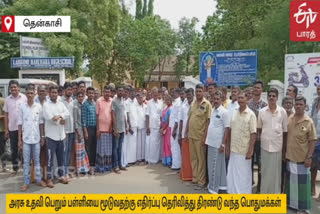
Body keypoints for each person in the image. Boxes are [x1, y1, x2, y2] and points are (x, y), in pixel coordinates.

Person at [286, 96, 316, 214]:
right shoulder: (290, 118)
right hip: (290, 158)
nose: (298, 106)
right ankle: (293, 205)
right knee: (292, 184)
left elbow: (313, 140)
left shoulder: (309, 121)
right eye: (296, 104)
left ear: (305, 106)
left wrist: (309, 157)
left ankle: (303, 208)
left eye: (300, 104)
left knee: (303, 185)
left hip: (303, 159)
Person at [258, 88, 288, 194]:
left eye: (273, 96)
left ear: (277, 98)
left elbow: (285, 132)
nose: (271, 97)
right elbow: (259, 129)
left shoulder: (282, 112)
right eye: (269, 96)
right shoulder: (262, 112)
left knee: (276, 175)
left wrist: (284, 151)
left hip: (277, 148)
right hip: (265, 147)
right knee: (265, 173)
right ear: (267, 97)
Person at [227, 91, 256, 194]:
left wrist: (250, 150)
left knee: (243, 175)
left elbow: (253, 134)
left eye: (242, 98)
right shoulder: (234, 112)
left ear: (247, 99)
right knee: (233, 174)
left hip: (244, 151)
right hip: (233, 149)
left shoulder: (251, 114)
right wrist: (227, 147)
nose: (240, 100)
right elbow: (230, 130)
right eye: (239, 98)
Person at [18, 86, 47, 191]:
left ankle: (39, 180)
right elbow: (20, 124)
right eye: (28, 93)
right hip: (26, 139)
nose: (30, 95)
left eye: (31, 93)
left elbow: (41, 123)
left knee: (37, 160)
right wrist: (19, 140)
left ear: (34, 94)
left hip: (36, 139)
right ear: (26, 95)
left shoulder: (38, 107)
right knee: (26, 162)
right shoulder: (22, 107)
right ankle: (26, 182)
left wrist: (43, 136)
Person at [43, 85, 70, 188]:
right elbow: (51, 119)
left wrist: (60, 116)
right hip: (51, 136)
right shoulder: (46, 105)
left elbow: (67, 113)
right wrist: (61, 118)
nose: (54, 94)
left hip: (61, 136)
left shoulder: (61, 104)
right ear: (49, 93)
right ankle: (49, 179)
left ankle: (61, 176)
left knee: (61, 158)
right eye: (52, 92)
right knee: (49, 159)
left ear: (58, 93)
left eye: (55, 92)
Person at [186, 83, 212, 190]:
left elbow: (208, 122)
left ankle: (201, 182)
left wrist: (205, 137)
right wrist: (186, 132)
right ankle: (195, 179)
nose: (198, 93)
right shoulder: (193, 103)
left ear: (203, 91)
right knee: (194, 159)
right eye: (196, 91)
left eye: (200, 91)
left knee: (201, 160)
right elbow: (190, 118)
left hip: (200, 136)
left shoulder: (207, 104)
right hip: (192, 135)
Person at [206, 91, 230, 194]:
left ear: (221, 100)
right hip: (210, 142)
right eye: (214, 99)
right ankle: (222, 186)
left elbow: (227, 129)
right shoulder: (212, 110)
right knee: (218, 166)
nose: (215, 101)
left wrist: (223, 144)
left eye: (217, 99)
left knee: (214, 166)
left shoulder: (224, 112)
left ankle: (213, 188)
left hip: (218, 144)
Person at [247, 80, 267, 192]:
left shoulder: (265, 105)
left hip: (260, 139)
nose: (256, 89)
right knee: (248, 163)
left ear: (262, 90)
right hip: (249, 140)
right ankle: (248, 184)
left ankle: (259, 187)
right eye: (254, 87)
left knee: (260, 164)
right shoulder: (248, 104)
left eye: (258, 88)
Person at [3, 80, 27, 174]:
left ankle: (25, 167)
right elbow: (6, 115)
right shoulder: (7, 99)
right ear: (10, 89)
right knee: (14, 149)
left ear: (19, 88)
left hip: (24, 128)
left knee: (25, 148)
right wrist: (6, 129)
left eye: (15, 87)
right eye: (12, 87)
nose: (13, 89)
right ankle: (15, 168)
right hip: (12, 128)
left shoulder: (24, 98)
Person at [95, 86, 113, 173]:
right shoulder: (99, 101)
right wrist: (98, 129)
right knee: (101, 149)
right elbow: (97, 116)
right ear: (103, 92)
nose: (107, 93)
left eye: (108, 92)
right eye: (106, 92)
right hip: (101, 130)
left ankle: (108, 166)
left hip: (109, 129)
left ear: (110, 93)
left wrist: (112, 126)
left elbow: (113, 115)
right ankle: (100, 167)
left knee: (108, 149)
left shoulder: (112, 101)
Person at [179, 88, 194, 181]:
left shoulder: (196, 105)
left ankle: (193, 175)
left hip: (193, 134)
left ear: (193, 96)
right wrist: (180, 133)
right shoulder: (183, 106)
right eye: (187, 95)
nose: (188, 97)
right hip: (184, 133)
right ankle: (185, 174)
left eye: (190, 95)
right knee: (185, 155)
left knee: (192, 156)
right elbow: (181, 120)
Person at [61, 82, 75, 179]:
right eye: (68, 90)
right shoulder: (60, 101)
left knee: (69, 151)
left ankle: (67, 170)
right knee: (64, 152)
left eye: (71, 90)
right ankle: (63, 172)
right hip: (64, 131)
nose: (70, 91)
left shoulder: (72, 101)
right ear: (64, 90)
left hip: (72, 130)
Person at [73, 91, 90, 175]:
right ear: (76, 97)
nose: (80, 97)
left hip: (82, 132)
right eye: (79, 96)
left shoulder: (81, 105)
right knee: (79, 153)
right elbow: (75, 121)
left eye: (82, 96)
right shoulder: (75, 107)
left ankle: (83, 168)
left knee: (82, 151)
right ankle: (78, 169)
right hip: (78, 133)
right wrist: (79, 133)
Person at [112, 86, 127, 173]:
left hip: (123, 128)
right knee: (115, 147)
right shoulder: (114, 101)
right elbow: (113, 115)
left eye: (122, 91)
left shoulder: (123, 101)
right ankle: (115, 166)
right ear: (117, 91)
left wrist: (126, 126)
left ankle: (120, 164)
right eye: (119, 91)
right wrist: (115, 129)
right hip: (117, 128)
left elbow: (123, 114)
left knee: (120, 148)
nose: (121, 92)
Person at [82, 87, 97, 175]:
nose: (91, 94)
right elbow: (83, 119)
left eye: (92, 93)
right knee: (88, 148)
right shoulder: (85, 104)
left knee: (94, 148)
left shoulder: (95, 103)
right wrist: (85, 131)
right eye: (89, 93)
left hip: (95, 128)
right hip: (88, 129)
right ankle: (88, 166)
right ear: (87, 94)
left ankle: (93, 166)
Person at [310, 84, 320, 197]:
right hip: (314, 139)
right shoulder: (314, 103)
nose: (319, 90)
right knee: (313, 166)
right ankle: (312, 188)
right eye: (317, 89)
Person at [169, 88, 182, 170]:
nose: (172, 94)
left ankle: (176, 165)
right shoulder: (176, 102)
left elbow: (178, 118)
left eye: (173, 92)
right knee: (173, 147)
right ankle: (175, 163)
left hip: (175, 128)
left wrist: (174, 130)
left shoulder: (178, 103)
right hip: (173, 126)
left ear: (177, 93)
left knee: (175, 147)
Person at [126, 88, 138, 165]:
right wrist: (129, 126)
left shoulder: (135, 101)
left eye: (134, 93)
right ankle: (129, 160)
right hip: (130, 126)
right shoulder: (127, 102)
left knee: (134, 144)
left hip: (135, 125)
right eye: (132, 93)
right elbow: (127, 114)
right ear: (129, 93)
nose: (133, 94)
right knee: (129, 144)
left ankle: (133, 159)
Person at [161, 95, 173, 166]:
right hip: (164, 127)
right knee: (165, 144)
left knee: (168, 144)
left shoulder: (171, 108)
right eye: (166, 100)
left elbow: (168, 120)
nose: (167, 101)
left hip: (168, 128)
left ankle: (169, 160)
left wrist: (163, 129)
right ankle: (166, 160)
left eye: (168, 100)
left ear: (171, 100)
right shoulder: (166, 108)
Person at [136, 93, 147, 164]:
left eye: (141, 98)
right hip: (138, 127)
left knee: (144, 143)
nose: (140, 99)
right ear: (137, 99)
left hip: (144, 126)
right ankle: (138, 158)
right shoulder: (136, 107)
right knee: (138, 143)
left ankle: (143, 157)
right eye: (139, 98)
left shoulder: (146, 106)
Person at [0, 92, 6, 171]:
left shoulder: (2, 101)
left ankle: (4, 166)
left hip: (1, 130)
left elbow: (6, 115)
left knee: (2, 149)